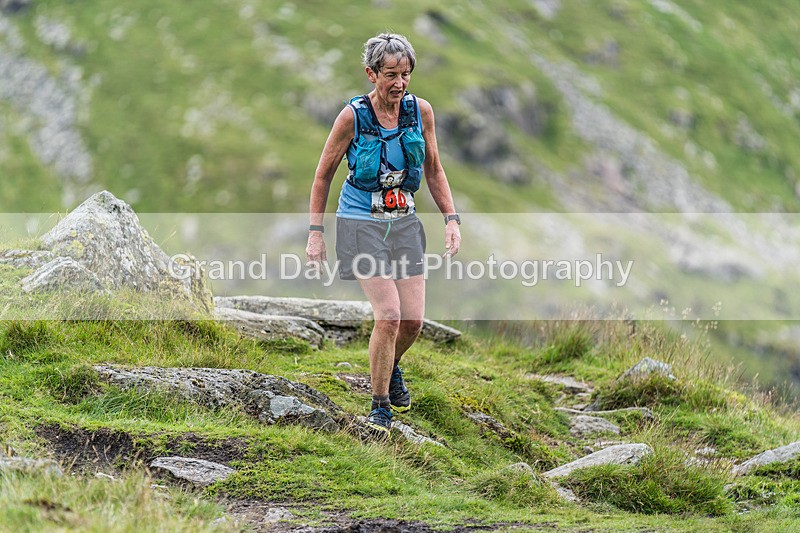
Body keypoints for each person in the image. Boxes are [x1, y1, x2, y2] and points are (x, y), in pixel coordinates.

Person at [306, 32, 461, 438]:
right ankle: (379, 408)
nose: (399, 83)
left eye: (406, 74)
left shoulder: (420, 112)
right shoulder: (352, 117)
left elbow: (433, 169)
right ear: (371, 73)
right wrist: (316, 233)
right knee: (389, 315)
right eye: (390, 74)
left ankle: (389, 368)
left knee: (412, 321)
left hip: (405, 223)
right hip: (360, 224)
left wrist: (451, 218)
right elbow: (323, 175)